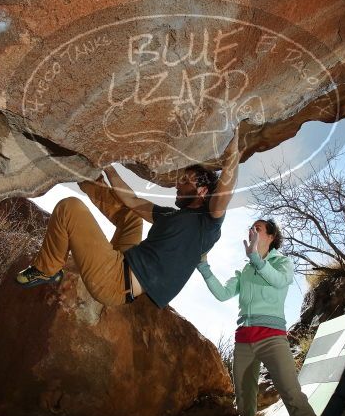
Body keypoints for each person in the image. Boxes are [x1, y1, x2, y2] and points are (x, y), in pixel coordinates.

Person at [14, 130, 241, 310]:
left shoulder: (207, 225)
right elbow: (131, 200)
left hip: (114, 281)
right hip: (124, 260)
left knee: (69, 208)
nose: (177, 185)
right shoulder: (171, 215)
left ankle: (47, 269)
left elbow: (222, 196)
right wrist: (108, 167)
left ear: (202, 191)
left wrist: (233, 152)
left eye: (185, 182)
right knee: (131, 217)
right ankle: (87, 176)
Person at [197, 219, 342, 416]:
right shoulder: (245, 272)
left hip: (272, 338)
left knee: (293, 397)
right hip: (243, 340)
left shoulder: (282, 263)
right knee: (244, 404)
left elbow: (278, 281)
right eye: (250, 227)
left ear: (272, 236)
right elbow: (221, 294)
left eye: (258, 228)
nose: (252, 230)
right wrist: (203, 266)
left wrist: (256, 258)